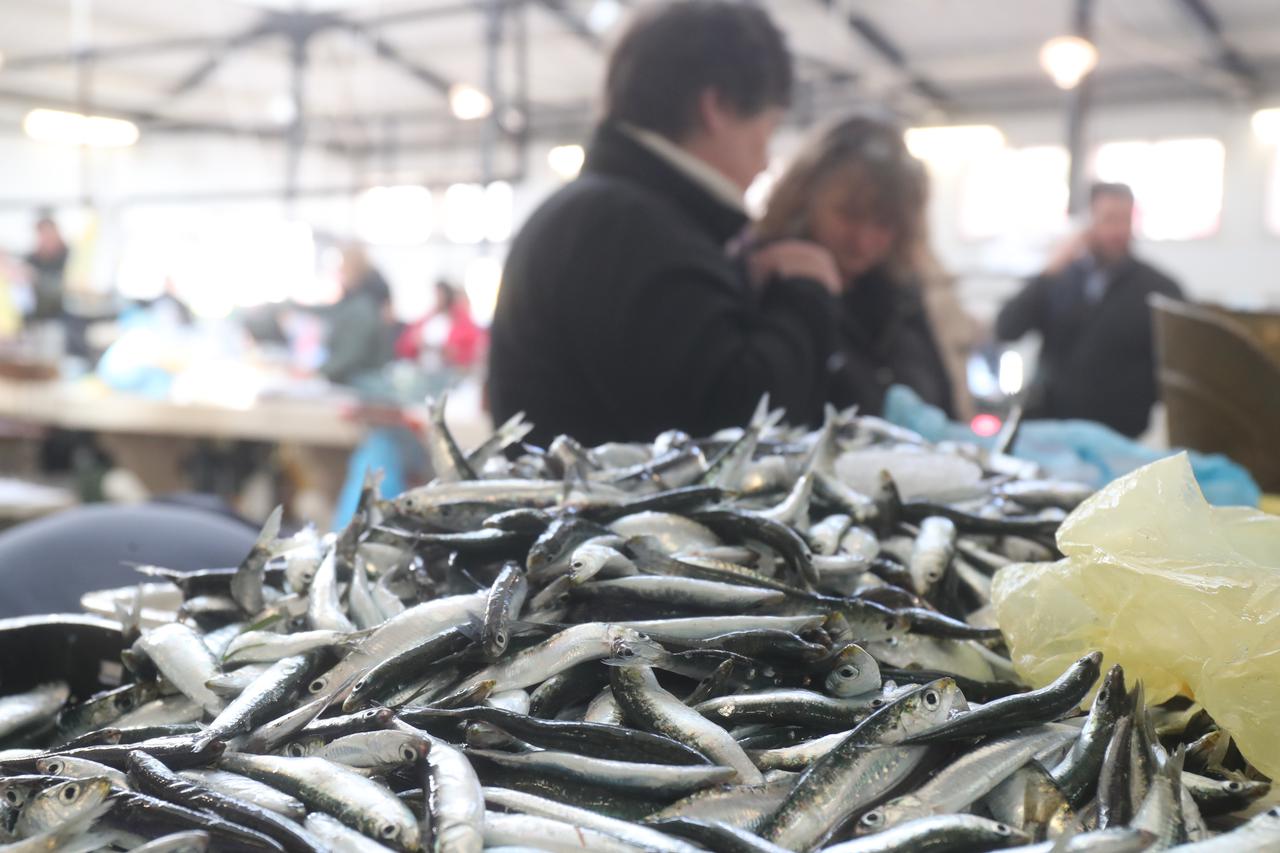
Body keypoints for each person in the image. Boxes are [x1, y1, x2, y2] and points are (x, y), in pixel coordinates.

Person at [489, 1, 843, 446]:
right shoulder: (625, 227)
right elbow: (727, 430)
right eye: (766, 131)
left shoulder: (616, 215)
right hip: (598, 516)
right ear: (716, 106)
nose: (766, 161)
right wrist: (802, 296)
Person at [752, 114, 977, 420]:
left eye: (884, 223)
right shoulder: (771, 281)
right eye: (849, 214)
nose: (863, 240)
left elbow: (945, 403)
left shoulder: (903, 292)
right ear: (803, 198)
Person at [996, 182, 1184, 437]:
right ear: (1089, 223)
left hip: (1118, 434)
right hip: (1052, 425)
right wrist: (1050, 270)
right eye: (1109, 219)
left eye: (1125, 220)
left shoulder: (1158, 288)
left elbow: (1178, 368)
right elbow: (1007, 327)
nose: (1118, 231)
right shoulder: (1058, 279)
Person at [314, 245, 396, 386]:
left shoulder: (363, 302)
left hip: (363, 379)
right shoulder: (359, 298)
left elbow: (351, 352)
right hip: (364, 374)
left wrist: (318, 372)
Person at [396, 280, 487, 370]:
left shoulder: (462, 322)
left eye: (440, 295)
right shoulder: (427, 319)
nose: (437, 298)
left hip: (450, 372)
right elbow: (405, 344)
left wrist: (450, 351)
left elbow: (470, 351)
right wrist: (415, 343)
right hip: (424, 369)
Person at [24, 214, 68, 322]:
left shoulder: (69, 256)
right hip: (39, 317)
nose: (46, 238)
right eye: (42, 234)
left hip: (64, 316)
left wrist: (36, 277)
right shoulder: (32, 259)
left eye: (49, 234)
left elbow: (66, 286)